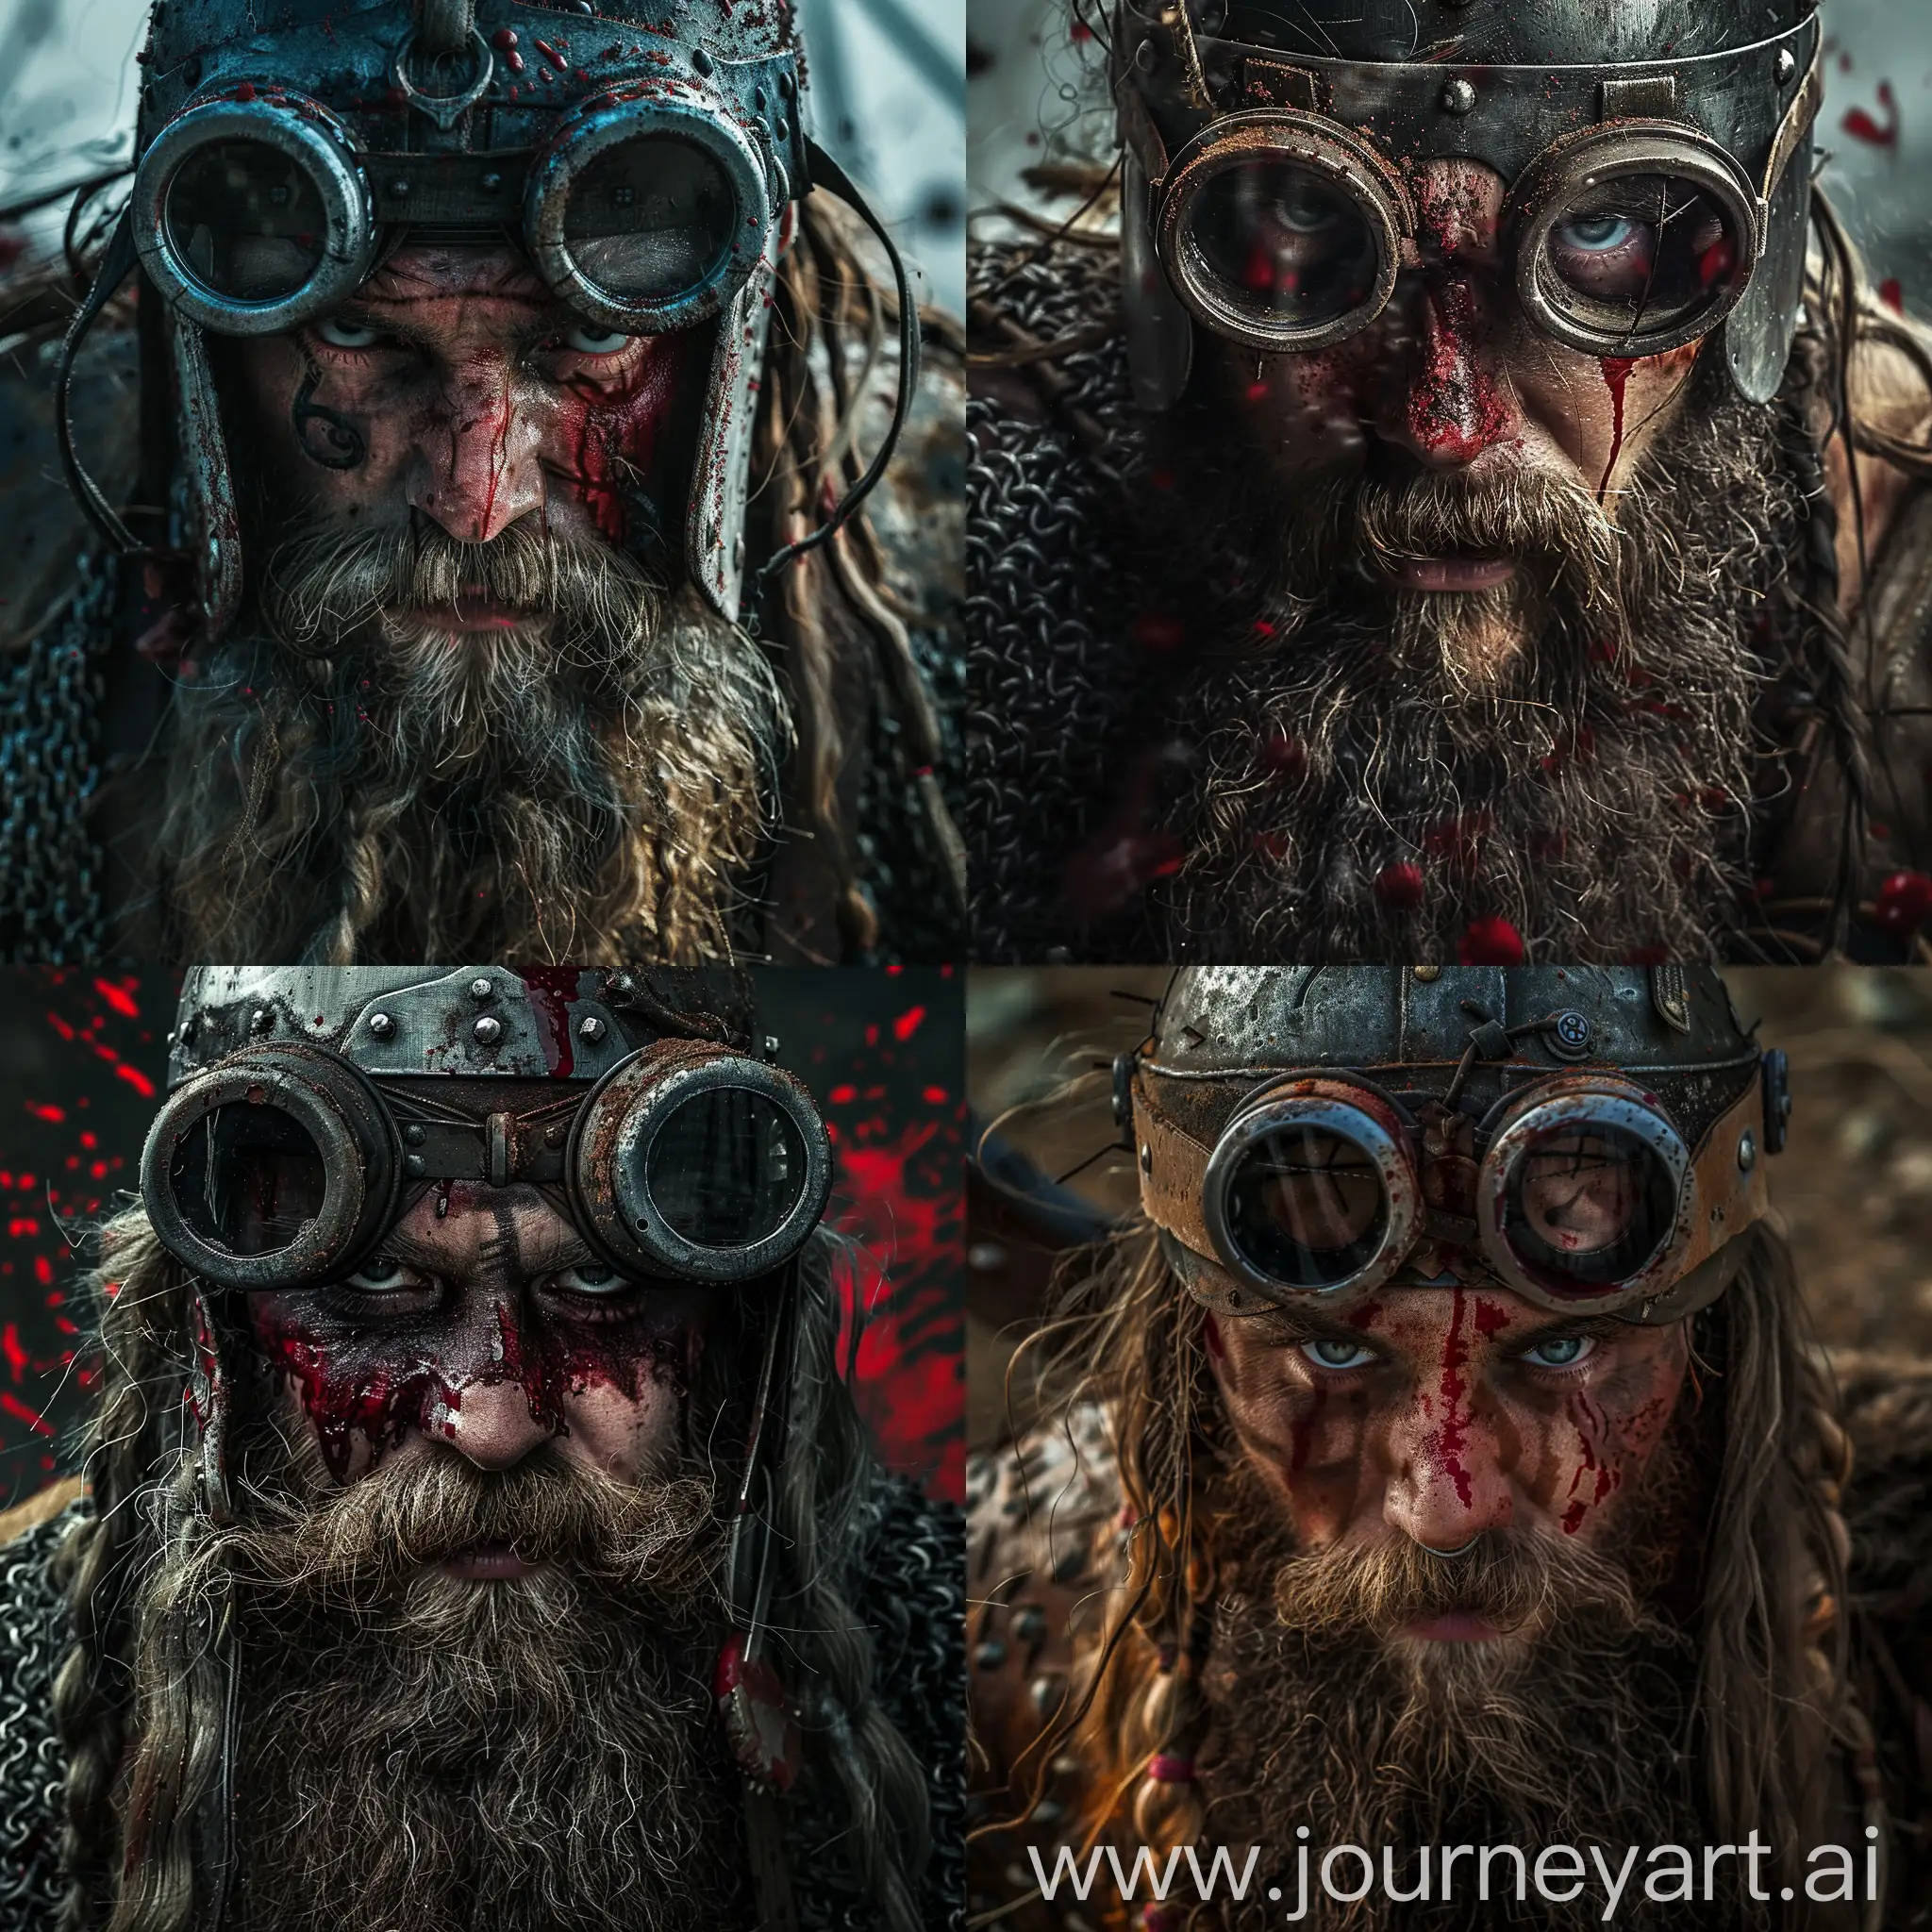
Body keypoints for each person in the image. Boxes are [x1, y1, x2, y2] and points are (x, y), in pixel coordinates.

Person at [0, 0, 964, 967]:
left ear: (735, 327)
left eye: (591, 338)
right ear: (201, 335)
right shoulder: (26, 608)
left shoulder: (967, 601)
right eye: (358, 336)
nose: (473, 500)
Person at [0, 965, 964, 1932]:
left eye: (595, 1282)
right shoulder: (23, 1678)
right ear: (220, 1337)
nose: (496, 1424)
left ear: (730, 1340)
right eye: (376, 1279)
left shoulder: (950, 1658)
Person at [968, 0, 1932, 965]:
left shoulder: (1886, 547)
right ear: (1178, 244)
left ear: (1740, 269)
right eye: (1309, 210)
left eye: (1596, 229)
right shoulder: (996, 514)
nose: (1443, 428)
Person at [968, 965, 1932, 1929]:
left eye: (1562, 1345)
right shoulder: (1005, 1630)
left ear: (1711, 1349)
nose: (1442, 1505)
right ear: (1195, 1359)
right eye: (1333, 1347)